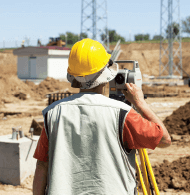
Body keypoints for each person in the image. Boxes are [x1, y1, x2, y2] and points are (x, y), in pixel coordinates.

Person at [32, 38, 171, 195]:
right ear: (105, 75)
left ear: (73, 76)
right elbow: (164, 140)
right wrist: (140, 104)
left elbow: (42, 165)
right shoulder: (123, 114)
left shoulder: (53, 113)